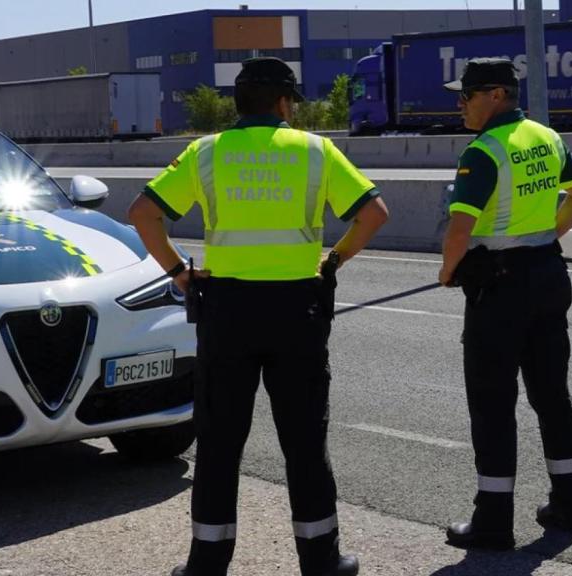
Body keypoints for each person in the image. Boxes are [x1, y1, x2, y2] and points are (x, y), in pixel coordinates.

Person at [128, 57, 389, 576]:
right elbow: (373, 213)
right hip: (298, 309)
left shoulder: (207, 153)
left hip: (227, 312)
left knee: (221, 440)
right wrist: (333, 259)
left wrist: (180, 272)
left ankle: (207, 562)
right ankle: (320, 559)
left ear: (238, 103)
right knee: (304, 442)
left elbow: (143, 212)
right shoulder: (315, 151)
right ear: (285, 102)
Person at [438, 58, 572, 549]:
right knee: (553, 397)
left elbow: (459, 229)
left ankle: (492, 522)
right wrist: (546, 236)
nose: (460, 105)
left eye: (466, 96)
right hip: (549, 277)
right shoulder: (545, 137)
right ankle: (569, 508)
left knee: (492, 405)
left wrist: (447, 274)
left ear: (495, 95)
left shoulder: (483, 151)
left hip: (500, 289)